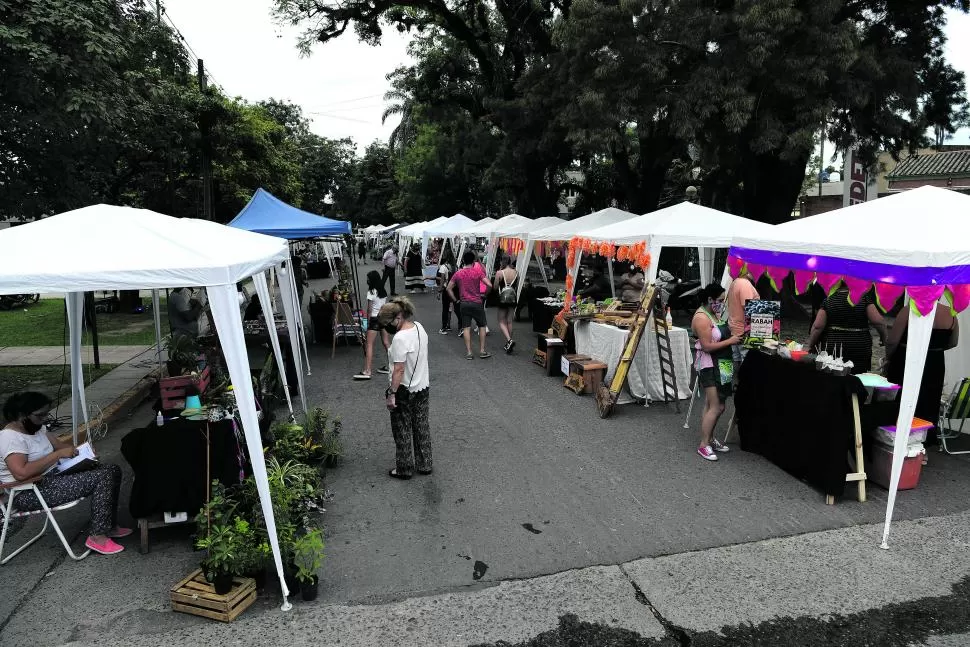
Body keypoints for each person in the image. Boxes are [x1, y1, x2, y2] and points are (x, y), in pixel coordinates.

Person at [1, 392, 131, 555]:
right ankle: (97, 536)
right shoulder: (10, 438)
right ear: (21, 415)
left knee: (111, 470)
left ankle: (108, 525)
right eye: (40, 415)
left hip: (51, 479)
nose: (44, 419)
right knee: (102, 477)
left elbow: (61, 447)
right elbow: (21, 473)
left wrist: (82, 454)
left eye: (45, 414)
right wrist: (55, 456)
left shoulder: (37, 428)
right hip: (28, 492)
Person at [886, 299, 959, 445]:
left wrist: (889, 358)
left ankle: (899, 442)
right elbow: (953, 342)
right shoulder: (951, 314)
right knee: (929, 401)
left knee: (902, 399)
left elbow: (892, 341)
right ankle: (923, 445)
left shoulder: (908, 310)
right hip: (934, 362)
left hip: (907, 360)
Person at [378, 297, 431, 479]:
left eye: (388, 323)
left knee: (401, 430)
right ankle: (425, 464)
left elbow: (399, 369)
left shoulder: (400, 338)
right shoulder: (419, 328)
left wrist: (391, 393)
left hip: (404, 389)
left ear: (398, 317)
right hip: (422, 386)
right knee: (421, 425)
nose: (388, 328)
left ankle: (405, 468)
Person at [691, 284, 742, 461]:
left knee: (717, 404)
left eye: (723, 300)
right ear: (710, 300)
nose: (722, 303)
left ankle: (710, 438)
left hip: (724, 364)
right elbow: (707, 346)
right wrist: (731, 341)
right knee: (716, 406)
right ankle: (703, 445)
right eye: (720, 300)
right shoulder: (702, 318)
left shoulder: (715, 314)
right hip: (710, 365)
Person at [806, 287, 887, 374]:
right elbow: (878, 322)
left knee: (832, 374)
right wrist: (883, 337)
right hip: (859, 347)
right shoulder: (863, 299)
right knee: (857, 375)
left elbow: (817, 326)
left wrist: (810, 345)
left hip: (833, 346)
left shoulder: (829, 300)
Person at [447, 251, 493, 360]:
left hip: (464, 303)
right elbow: (489, 284)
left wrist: (455, 300)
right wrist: (485, 294)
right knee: (482, 326)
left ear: (463, 260)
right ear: (473, 261)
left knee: (466, 327)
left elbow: (448, 288)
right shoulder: (477, 272)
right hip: (477, 302)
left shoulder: (458, 273)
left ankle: (469, 352)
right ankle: (482, 351)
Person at [354, 271, 390, 381]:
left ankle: (367, 370)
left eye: (368, 278)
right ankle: (392, 365)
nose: (367, 280)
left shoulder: (371, 292)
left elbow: (369, 310)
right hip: (383, 318)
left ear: (372, 280)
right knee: (386, 343)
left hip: (374, 319)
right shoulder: (383, 291)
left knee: (368, 344)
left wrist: (368, 323)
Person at [726, 269, 759, 365]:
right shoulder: (745, 284)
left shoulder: (735, 282)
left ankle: (737, 379)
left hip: (735, 329)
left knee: (737, 359)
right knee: (748, 362)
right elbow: (748, 307)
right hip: (744, 331)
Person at [495, 255, 519, 353]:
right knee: (509, 321)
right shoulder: (516, 272)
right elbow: (516, 286)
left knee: (501, 321)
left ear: (502, 261)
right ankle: (509, 342)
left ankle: (509, 340)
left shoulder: (499, 273)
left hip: (503, 299)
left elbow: (495, 287)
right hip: (513, 298)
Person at [437, 248, 457, 335]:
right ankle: (449, 325)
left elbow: (442, 281)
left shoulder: (443, 267)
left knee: (445, 309)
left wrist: (439, 291)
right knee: (451, 308)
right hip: (454, 289)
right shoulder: (455, 267)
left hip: (446, 290)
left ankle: (443, 327)